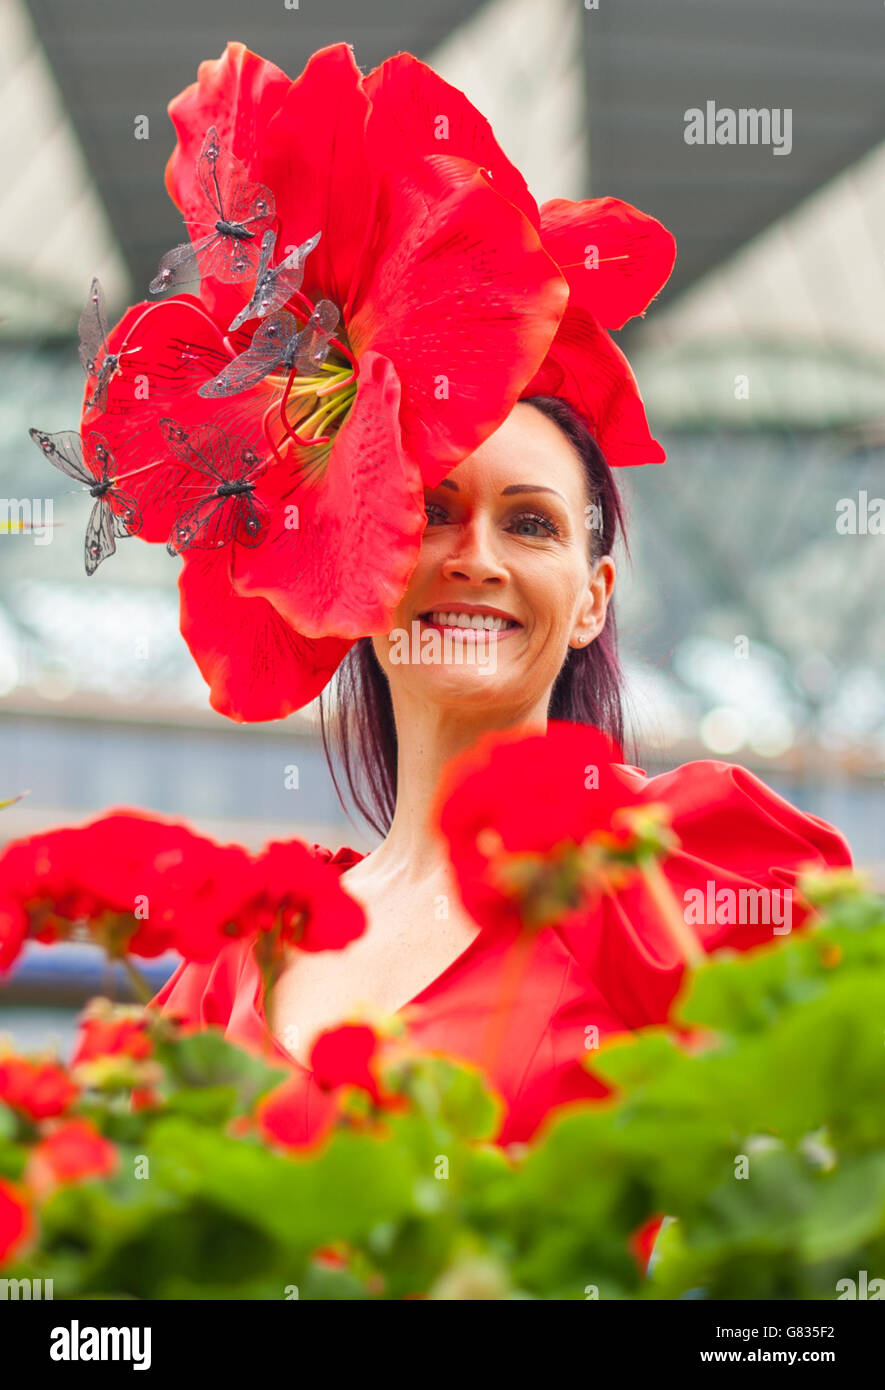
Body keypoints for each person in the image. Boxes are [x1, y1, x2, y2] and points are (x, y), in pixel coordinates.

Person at [151, 391, 852, 1147]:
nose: (476, 560)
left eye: (529, 525)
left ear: (591, 600)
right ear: (357, 574)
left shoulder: (676, 869)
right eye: (429, 514)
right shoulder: (243, 948)